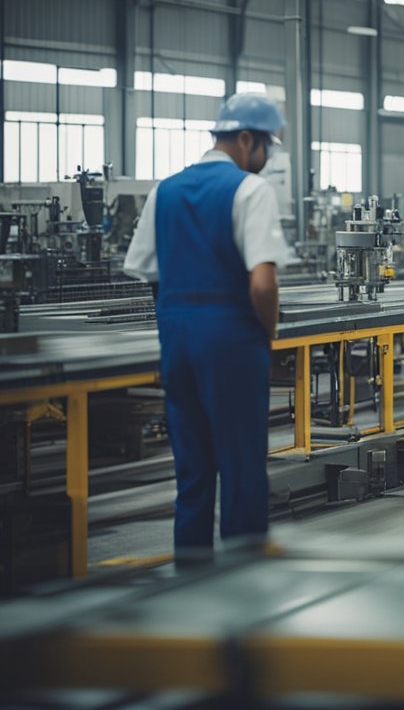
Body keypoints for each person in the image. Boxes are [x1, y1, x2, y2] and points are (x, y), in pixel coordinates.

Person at [123, 93, 290, 561]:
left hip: (178, 339)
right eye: (267, 148)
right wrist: (267, 332)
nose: (266, 159)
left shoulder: (164, 190)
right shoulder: (250, 191)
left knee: (192, 470)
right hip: (232, 338)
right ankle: (241, 578)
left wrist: (178, 327)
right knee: (240, 467)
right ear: (245, 139)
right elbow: (262, 281)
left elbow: (147, 271)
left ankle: (190, 575)